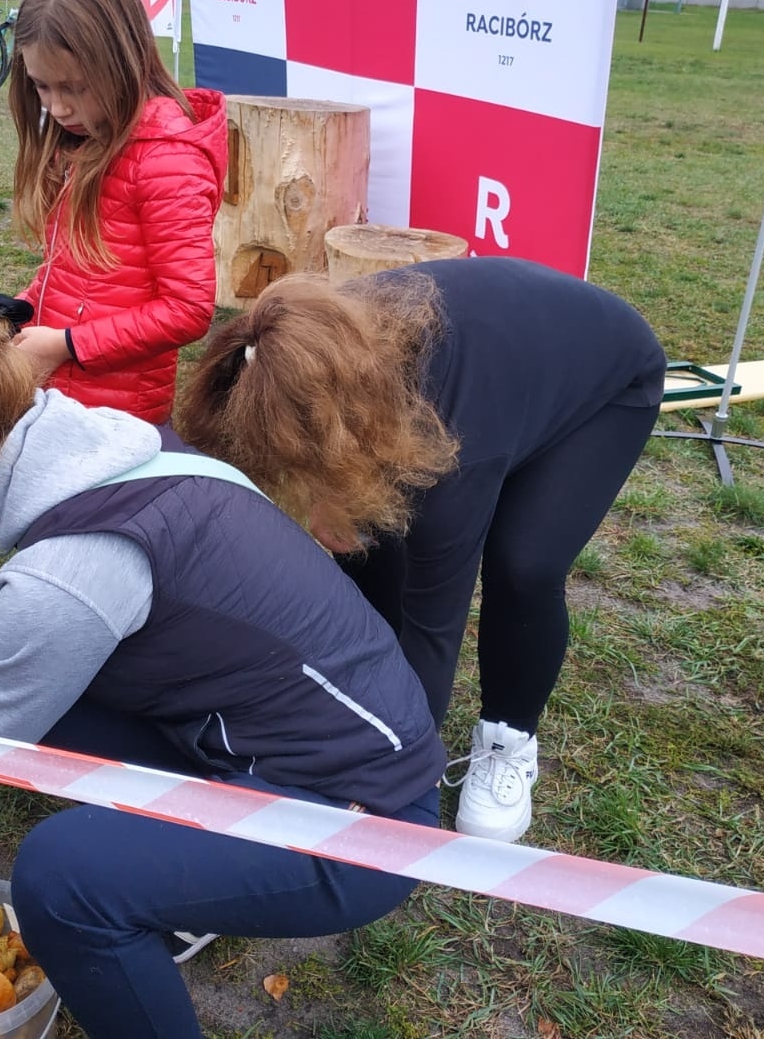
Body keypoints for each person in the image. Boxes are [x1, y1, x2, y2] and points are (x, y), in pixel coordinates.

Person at [0, 290, 445, 1039]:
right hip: (320, 735)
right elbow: (62, 603)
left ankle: (161, 902)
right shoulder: (112, 445)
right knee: (55, 700)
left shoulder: (66, 575)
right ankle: (181, 885)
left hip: (362, 820)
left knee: (60, 881)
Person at [175, 258, 667, 844]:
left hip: (603, 382)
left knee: (524, 563)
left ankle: (508, 739)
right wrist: (326, 498)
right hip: (495, 366)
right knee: (372, 540)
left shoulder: (453, 451)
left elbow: (437, 623)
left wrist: (392, 773)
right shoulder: (291, 338)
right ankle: (365, 690)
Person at [5, 0, 226, 424]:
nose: (58, 107)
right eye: (41, 87)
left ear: (122, 60)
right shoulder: (90, 140)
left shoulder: (167, 161)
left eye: (75, 87)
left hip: (117, 418)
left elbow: (188, 309)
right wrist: (17, 311)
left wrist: (67, 345)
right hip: (68, 400)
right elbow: (72, 270)